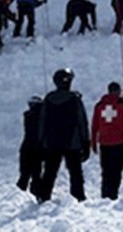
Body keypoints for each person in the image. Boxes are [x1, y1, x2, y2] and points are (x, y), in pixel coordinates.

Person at [36, 69, 89, 203]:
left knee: (49, 172)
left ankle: (43, 196)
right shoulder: (74, 99)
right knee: (75, 172)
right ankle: (78, 196)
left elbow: (42, 122)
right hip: (73, 142)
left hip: (52, 142)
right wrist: (86, 142)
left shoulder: (48, 99)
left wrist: (40, 143)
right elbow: (82, 122)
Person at [90, 82, 123, 200]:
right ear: (118, 91)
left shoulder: (99, 105)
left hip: (104, 143)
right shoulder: (122, 104)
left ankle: (105, 193)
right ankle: (113, 193)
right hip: (118, 142)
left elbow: (94, 125)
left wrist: (93, 142)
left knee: (106, 170)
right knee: (117, 169)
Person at [17, 96, 44, 193]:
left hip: (26, 147)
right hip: (37, 148)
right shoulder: (42, 116)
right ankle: (36, 191)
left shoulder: (28, 115)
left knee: (25, 172)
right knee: (36, 173)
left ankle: (20, 192)